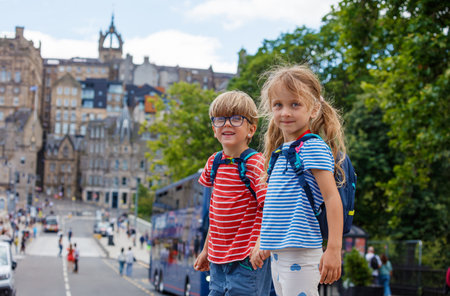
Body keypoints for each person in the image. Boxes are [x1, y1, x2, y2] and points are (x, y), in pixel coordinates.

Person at [255, 64, 345, 296]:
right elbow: (276, 205)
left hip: (301, 250)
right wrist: (263, 242)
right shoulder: (279, 153)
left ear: (314, 109)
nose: (285, 112)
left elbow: (332, 197)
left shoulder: (312, 147)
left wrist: (334, 248)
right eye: (278, 105)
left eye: (295, 104)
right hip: (279, 251)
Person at [194, 91, 272, 295]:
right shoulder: (214, 163)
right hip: (218, 259)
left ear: (251, 129)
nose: (227, 124)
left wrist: (260, 245)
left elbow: (270, 208)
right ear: (214, 129)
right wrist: (205, 250)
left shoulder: (256, 163)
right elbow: (215, 213)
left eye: (236, 119)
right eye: (220, 119)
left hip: (247, 258)